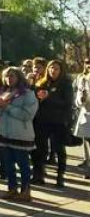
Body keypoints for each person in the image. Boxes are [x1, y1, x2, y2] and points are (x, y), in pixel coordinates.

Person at [0, 67, 38, 201]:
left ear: (19, 77)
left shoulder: (28, 94)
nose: (9, 79)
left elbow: (27, 115)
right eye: (6, 76)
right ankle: (12, 188)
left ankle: (26, 190)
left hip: (21, 135)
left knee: (23, 164)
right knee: (7, 164)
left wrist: (7, 107)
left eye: (12, 76)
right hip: (5, 134)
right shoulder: (4, 92)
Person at [33, 59, 74, 188]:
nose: (53, 71)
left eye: (56, 68)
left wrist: (49, 96)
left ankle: (60, 176)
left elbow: (67, 102)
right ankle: (39, 175)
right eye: (51, 68)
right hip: (42, 121)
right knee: (40, 149)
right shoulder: (43, 83)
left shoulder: (66, 84)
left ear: (61, 70)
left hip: (58, 121)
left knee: (59, 149)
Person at [75, 59, 90, 178]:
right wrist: (82, 99)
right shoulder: (83, 79)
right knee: (87, 142)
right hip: (87, 116)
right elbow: (78, 101)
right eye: (87, 62)